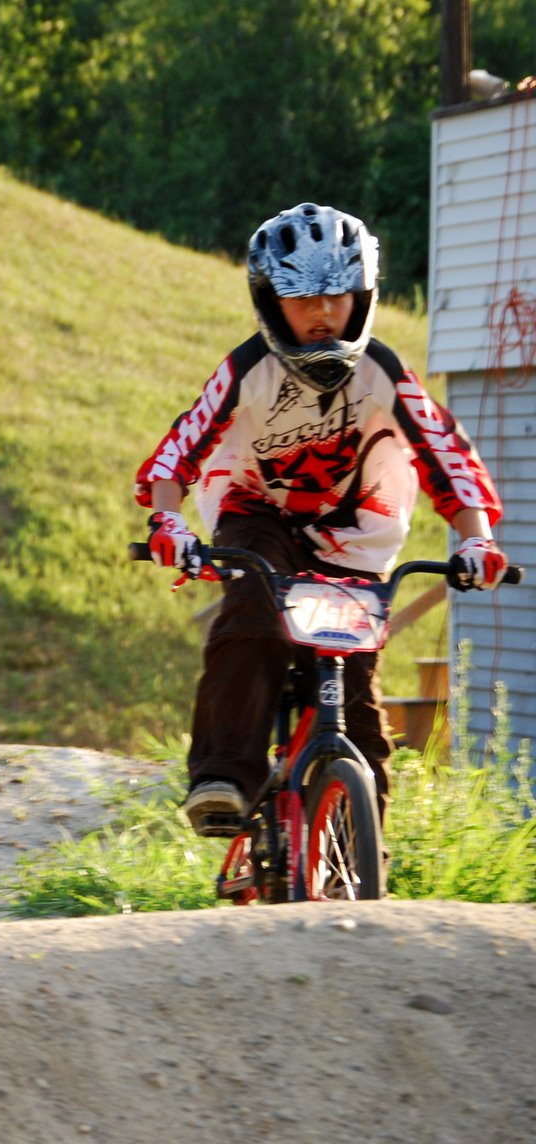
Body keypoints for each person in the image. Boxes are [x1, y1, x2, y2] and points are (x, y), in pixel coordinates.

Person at [135, 202, 506, 837]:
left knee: (357, 698)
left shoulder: (382, 370)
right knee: (253, 611)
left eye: (338, 295)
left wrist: (477, 540)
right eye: (302, 298)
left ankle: (360, 859)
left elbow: (445, 452)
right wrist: (168, 525)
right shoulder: (247, 370)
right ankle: (224, 777)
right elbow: (178, 454)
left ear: (363, 298)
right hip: (257, 513)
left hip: (355, 532)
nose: (322, 313)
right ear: (268, 301)